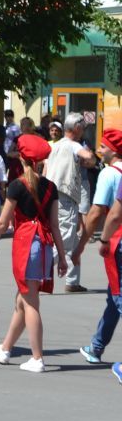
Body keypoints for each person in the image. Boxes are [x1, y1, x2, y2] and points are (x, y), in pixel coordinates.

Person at [0, 135, 67, 373]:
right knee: (22, 300)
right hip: (45, 246)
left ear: (22, 158)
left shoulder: (17, 185)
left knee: (30, 303)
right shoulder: (50, 187)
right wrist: (63, 257)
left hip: (28, 245)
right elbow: (55, 225)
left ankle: (37, 358)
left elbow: (2, 223)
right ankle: (5, 348)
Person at [78, 129, 122, 365]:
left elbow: (97, 213)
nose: (99, 150)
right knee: (113, 297)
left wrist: (82, 246)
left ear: (113, 151)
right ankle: (96, 346)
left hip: (117, 241)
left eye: (103, 147)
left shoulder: (109, 175)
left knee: (118, 297)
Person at [46, 113, 95, 292]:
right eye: (82, 128)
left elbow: (44, 167)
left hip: (52, 194)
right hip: (65, 195)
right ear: (77, 128)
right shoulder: (74, 145)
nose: (83, 131)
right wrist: (90, 158)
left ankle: (72, 281)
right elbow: (87, 156)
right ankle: (38, 271)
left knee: (72, 239)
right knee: (65, 239)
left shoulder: (54, 146)